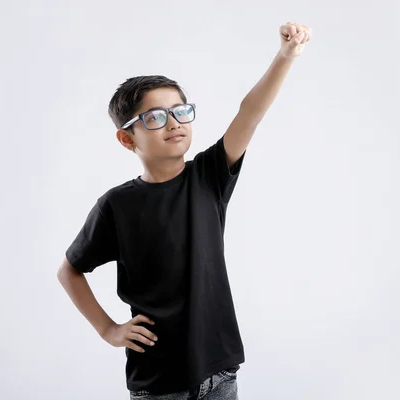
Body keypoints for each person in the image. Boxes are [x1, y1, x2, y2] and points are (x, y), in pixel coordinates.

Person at [56, 22, 311, 400]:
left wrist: (285, 57)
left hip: (220, 372)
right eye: (155, 117)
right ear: (127, 138)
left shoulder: (209, 176)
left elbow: (250, 114)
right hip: (159, 383)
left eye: (180, 111)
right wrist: (109, 329)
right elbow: (70, 271)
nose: (173, 122)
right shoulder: (115, 206)